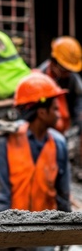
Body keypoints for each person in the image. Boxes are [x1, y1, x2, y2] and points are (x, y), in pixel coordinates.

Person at [0, 72, 71, 218]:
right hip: (13, 231)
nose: (59, 114)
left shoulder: (59, 144)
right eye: (55, 109)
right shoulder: (5, 142)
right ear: (42, 112)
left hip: (47, 233)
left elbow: (63, 197)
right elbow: (0, 197)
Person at [38, 36, 82, 174]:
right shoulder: (41, 77)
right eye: (65, 69)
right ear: (54, 61)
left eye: (70, 70)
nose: (68, 73)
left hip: (66, 129)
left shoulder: (73, 80)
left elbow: (79, 104)